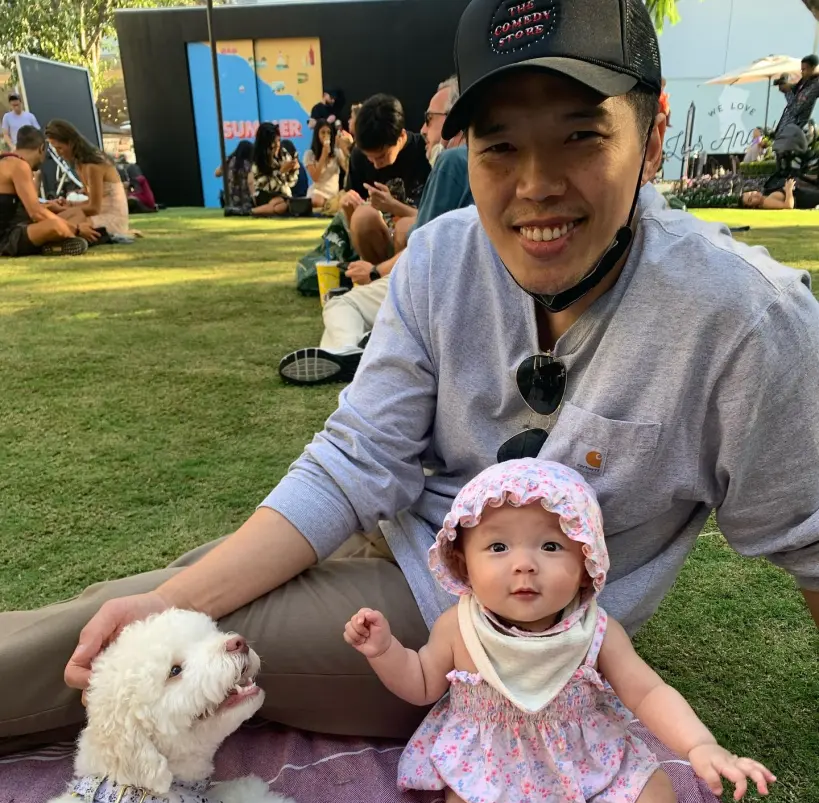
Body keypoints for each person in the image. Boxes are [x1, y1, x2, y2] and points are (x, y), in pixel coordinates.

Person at [2, 0, 818, 756]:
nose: (536, 184)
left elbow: (811, 542)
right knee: (142, 598)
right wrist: (172, 596)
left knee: (152, 645)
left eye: (580, 136)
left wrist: (172, 608)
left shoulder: (744, 318)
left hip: (472, 635)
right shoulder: (440, 255)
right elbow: (356, 459)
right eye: (499, 145)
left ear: (653, 130)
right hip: (391, 539)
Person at [344, 459, 775, 803]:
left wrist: (699, 745)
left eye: (551, 546)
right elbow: (423, 683)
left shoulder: (596, 630)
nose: (524, 564)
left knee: (653, 790)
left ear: (586, 563)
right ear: (463, 562)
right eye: (498, 547)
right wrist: (385, 653)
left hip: (586, 755)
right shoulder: (459, 626)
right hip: (492, 765)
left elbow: (646, 692)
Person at [279, 77, 471, 386]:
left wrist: (375, 272)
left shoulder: (450, 161)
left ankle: (347, 350)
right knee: (369, 218)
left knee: (341, 303)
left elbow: (425, 247)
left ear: (455, 119)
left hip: (430, 287)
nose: (424, 129)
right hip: (453, 288)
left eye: (429, 119)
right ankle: (360, 344)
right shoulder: (489, 162)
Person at [341, 94, 431, 264]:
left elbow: (435, 220)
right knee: (362, 217)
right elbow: (355, 228)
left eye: (381, 157)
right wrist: (348, 207)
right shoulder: (359, 156)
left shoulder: (425, 152)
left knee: (405, 227)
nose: (375, 165)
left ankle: (396, 278)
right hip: (380, 245)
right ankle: (376, 275)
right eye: (369, 158)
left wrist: (393, 206)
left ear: (401, 136)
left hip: (416, 245)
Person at [0, 126, 94, 257]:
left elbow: (15, 207)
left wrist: (48, 206)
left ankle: (54, 243)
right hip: (7, 237)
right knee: (56, 226)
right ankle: (58, 241)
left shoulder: (6, 161)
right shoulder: (19, 166)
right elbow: (36, 213)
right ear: (41, 148)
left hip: (17, 226)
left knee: (76, 213)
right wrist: (77, 229)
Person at [44, 120, 130, 238]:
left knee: (61, 224)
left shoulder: (92, 166)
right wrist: (69, 204)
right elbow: (91, 202)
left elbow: (94, 208)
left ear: (70, 143)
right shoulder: (80, 164)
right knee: (56, 221)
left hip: (111, 220)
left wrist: (62, 209)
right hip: (98, 214)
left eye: (60, 148)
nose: (59, 154)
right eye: (55, 149)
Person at [248, 121, 300, 216]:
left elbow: (291, 183)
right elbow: (267, 187)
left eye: (279, 140)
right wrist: (281, 172)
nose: (277, 145)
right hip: (265, 195)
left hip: (284, 195)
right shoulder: (257, 162)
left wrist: (293, 170)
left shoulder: (283, 154)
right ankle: (254, 211)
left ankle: (252, 211)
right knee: (280, 203)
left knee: (282, 205)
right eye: (273, 142)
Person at [303, 119, 351, 213]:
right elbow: (315, 177)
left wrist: (344, 150)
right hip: (318, 193)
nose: (326, 136)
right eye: (323, 132)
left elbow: (348, 170)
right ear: (317, 135)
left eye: (328, 132)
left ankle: (330, 206)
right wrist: (324, 155)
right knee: (316, 201)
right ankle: (328, 207)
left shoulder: (336, 153)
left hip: (334, 194)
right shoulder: (309, 154)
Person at [215, 140, 254, 214]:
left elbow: (216, 174)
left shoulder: (228, 160)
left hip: (228, 200)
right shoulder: (249, 164)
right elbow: (250, 182)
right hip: (245, 200)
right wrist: (254, 198)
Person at [741, 177, 819, 210]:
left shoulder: (766, 194)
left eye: (751, 193)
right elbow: (788, 206)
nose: (754, 195)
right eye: (750, 199)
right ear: (752, 207)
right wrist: (789, 190)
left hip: (804, 193)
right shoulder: (766, 202)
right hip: (804, 198)